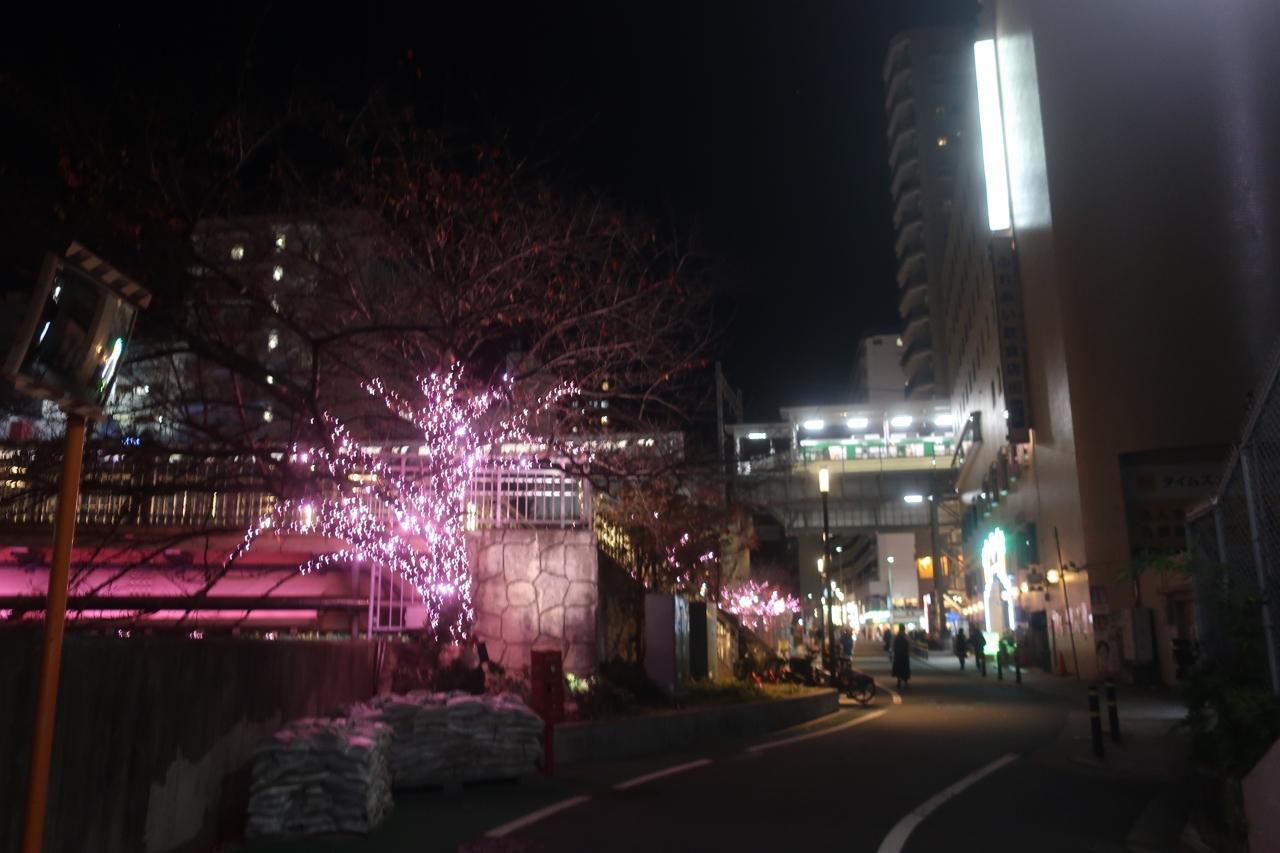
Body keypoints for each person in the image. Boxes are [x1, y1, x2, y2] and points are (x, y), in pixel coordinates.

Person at [892, 623, 912, 689]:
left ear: (899, 629)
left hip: (897, 655)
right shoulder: (906, 636)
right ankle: (905, 681)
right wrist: (909, 652)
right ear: (904, 629)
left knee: (898, 668)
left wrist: (893, 652)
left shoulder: (896, 636)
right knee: (905, 668)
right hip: (904, 655)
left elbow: (892, 645)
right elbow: (910, 645)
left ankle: (899, 681)